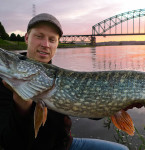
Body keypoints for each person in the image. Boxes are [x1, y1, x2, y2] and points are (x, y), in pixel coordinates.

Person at [0, 13, 129, 150]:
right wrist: (21, 107)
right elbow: (10, 144)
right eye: (39, 36)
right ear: (27, 38)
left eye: (52, 39)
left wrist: (117, 102)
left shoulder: (60, 76)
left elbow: (91, 112)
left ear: (57, 44)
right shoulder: (5, 84)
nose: (45, 44)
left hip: (64, 145)